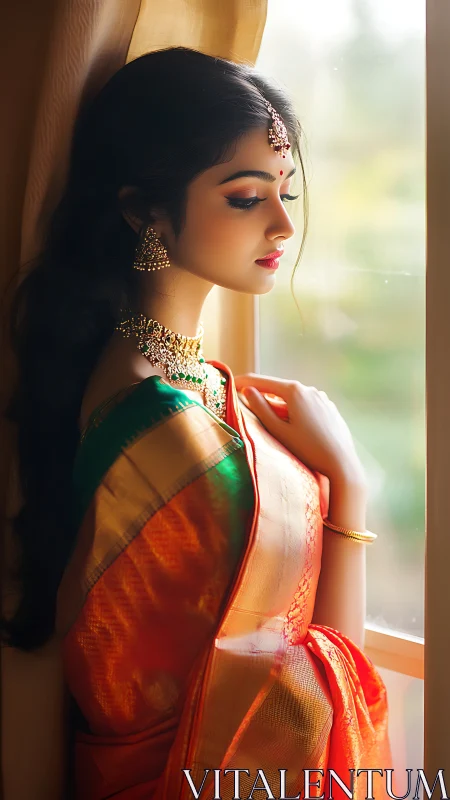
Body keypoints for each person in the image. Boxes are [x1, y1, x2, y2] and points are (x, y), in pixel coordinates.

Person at [2, 46, 393, 800]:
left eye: (288, 194)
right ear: (141, 209)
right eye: (246, 198)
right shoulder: (157, 426)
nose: (282, 225)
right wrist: (348, 487)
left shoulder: (184, 382)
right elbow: (286, 687)